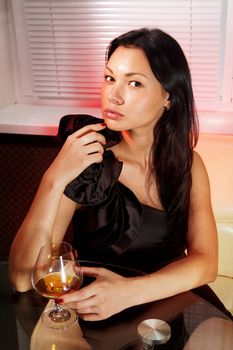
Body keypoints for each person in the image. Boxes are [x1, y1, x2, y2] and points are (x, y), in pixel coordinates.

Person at [9, 28, 231, 322]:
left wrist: (130, 292)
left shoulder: (188, 164)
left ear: (169, 97)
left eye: (135, 83)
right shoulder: (89, 158)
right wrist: (53, 178)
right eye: (110, 78)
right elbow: (23, 278)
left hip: (172, 297)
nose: (113, 95)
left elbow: (206, 263)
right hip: (102, 308)